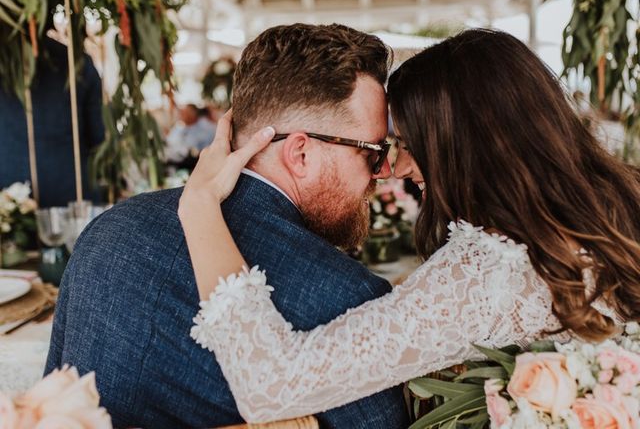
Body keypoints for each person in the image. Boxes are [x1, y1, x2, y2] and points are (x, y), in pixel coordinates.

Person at [178, 28, 640, 423]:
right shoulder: (606, 213)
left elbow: (271, 387)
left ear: (460, 144)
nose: (394, 169)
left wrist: (199, 207)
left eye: (406, 144)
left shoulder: (487, 274)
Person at [45, 23, 409, 428]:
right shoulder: (348, 297)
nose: (381, 173)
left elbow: (49, 403)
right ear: (300, 154)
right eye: (373, 152)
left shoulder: (105, 232)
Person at [0, 36, 104, 207]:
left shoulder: (76, 62)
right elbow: (98, 137)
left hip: (11, 207)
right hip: (73, 199)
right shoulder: (76, 61)